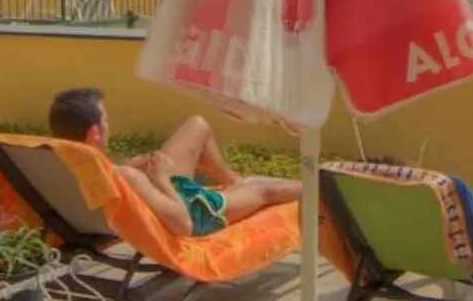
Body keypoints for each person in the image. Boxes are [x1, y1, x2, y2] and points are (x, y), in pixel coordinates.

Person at [47, 87, 300, 238]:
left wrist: (140, 171)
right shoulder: (126, 177)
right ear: (94, 132)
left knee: (197, 126)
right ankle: (320, 187)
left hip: (158, 198)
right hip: (196, 213)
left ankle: (235, 184)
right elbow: (183, 224)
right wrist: (160, 179)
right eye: (106, 120)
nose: (108, 125)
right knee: (265, 190)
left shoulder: (57, 164)